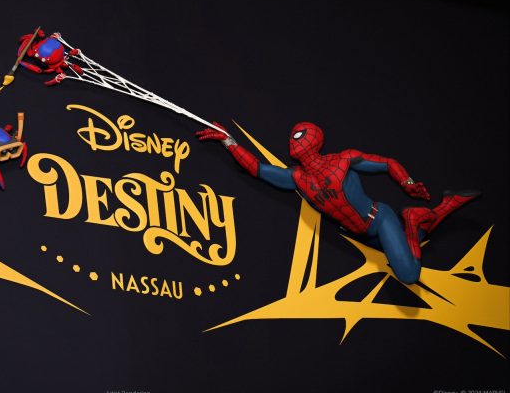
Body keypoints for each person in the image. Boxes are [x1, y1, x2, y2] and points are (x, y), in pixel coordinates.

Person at [196, 121, 479, 284]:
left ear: (315, 139)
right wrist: (229, 141)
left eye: (300, 134)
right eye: (292, 137)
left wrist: (407, 182)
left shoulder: (344, 159)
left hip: (379, 220)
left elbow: (386, 163)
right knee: (414, 240)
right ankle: (445, 206)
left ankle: (413, 217)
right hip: (363, 234)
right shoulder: (297, 178)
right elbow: (257, 169)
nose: (294, 140)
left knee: (408, 273)